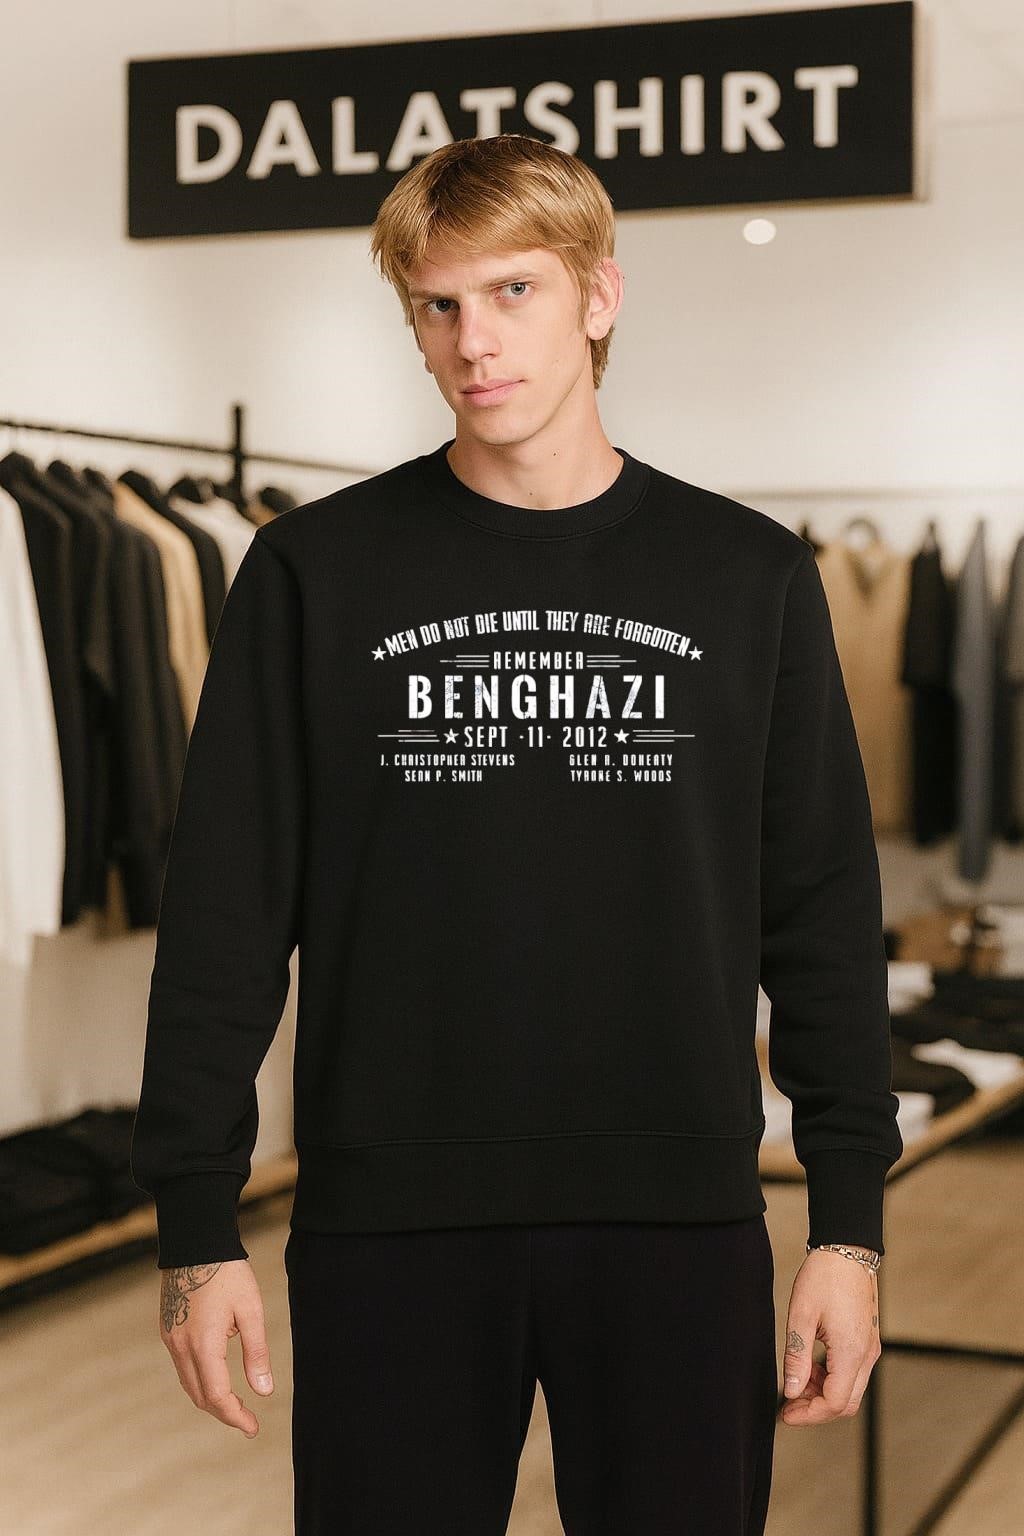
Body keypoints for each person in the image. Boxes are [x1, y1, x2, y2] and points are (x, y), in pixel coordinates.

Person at [131, 133, 902, 1534]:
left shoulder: (746, 575)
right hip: (389, 1223)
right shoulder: (314, 571)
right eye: (437, 305)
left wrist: (849, 1223)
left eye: (512, 292)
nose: (472, 341)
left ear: (599, 296)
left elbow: (821, 911)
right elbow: (225, 914)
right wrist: (195, 1221)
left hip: (676, 1217)